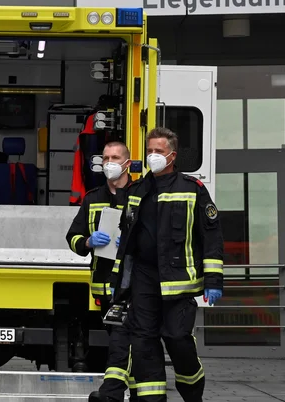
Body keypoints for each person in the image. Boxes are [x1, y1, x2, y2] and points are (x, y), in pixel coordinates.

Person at [109, 127, 224, 402]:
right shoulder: (137, 190)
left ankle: (192, 390)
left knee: (176, 338)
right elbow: (127, 239)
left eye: (158, 151)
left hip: (179, 282)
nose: (152, 156)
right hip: (144, 279)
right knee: (143, 342)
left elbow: (211, 236)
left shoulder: (192, 189)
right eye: (149, 151)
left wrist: (214, 281)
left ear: (172, 155)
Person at [65, 141, 139, 402]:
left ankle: (112, 393)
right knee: (122, 342)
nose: (109, 162)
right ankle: (136, 391)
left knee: (123, 339)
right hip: (103, 286)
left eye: (115, 157)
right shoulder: (93, 197)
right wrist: (87, 241)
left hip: (133, 285)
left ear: (127, 163)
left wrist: (134, 242)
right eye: (105, 157)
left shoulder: (140, 195)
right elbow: (73, 237)